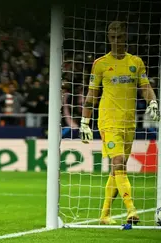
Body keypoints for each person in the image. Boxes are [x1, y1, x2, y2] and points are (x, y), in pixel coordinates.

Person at [80, 21, 159, 225]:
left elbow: (145, 86)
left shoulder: (136, 62)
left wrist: (153, 101)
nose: (116, 41)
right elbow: (92, 93)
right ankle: (131, 210)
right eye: (113, 37)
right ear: (108, 38)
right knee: (118, 162)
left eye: (120, 37)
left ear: (126, 38)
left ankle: (105, 215)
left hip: (129, 122)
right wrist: (84, 121)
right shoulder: (100, 64)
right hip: (107, 121)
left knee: (118, 168)